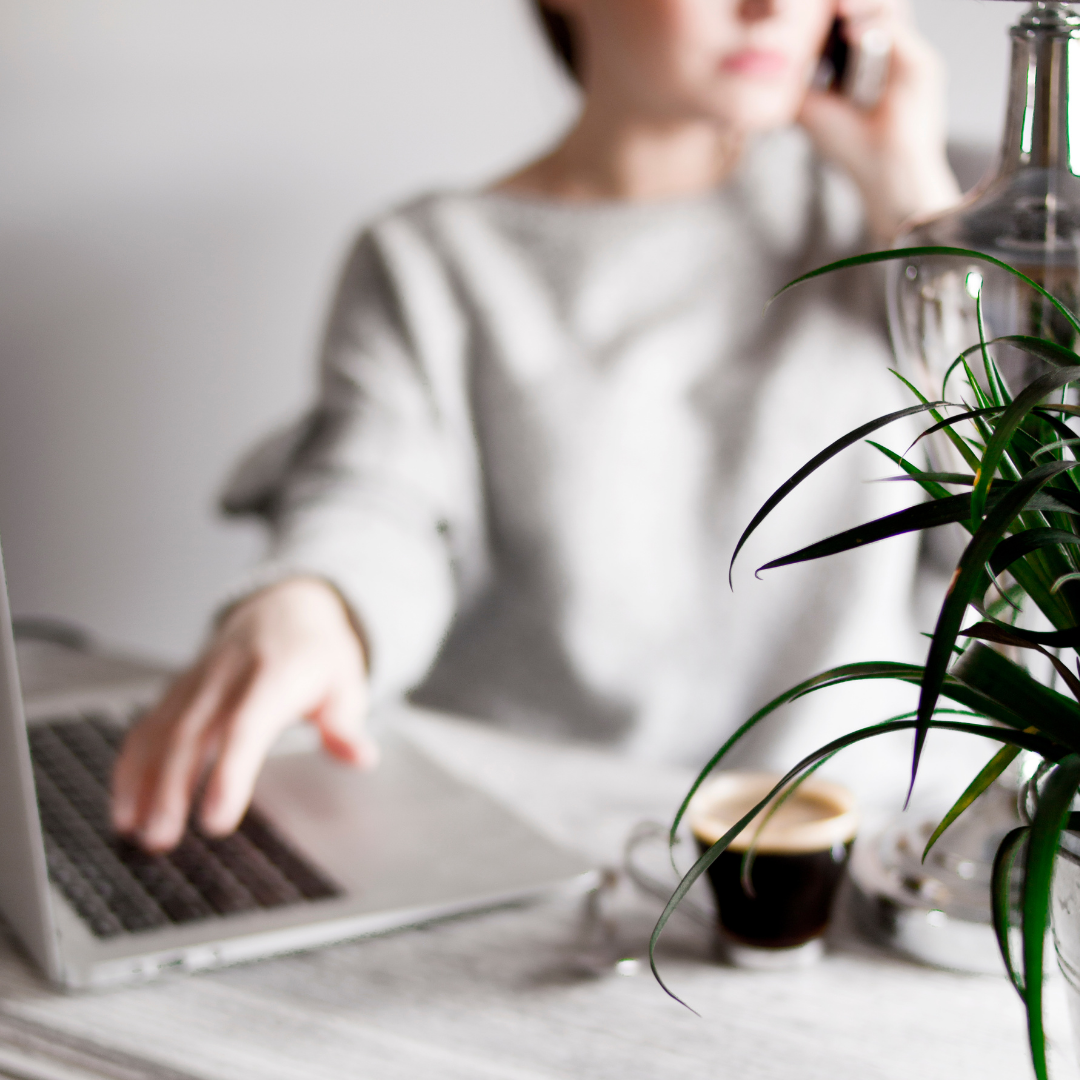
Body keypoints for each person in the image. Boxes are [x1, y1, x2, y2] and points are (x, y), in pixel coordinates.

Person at [112, 0, 961, 853]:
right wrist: (317, 601)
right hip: (529, 848)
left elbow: (1015, 543)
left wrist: (917, 208)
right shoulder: (431, 258)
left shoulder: (898, 231)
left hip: (844, 859)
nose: (772, 8)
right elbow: (376, 496)